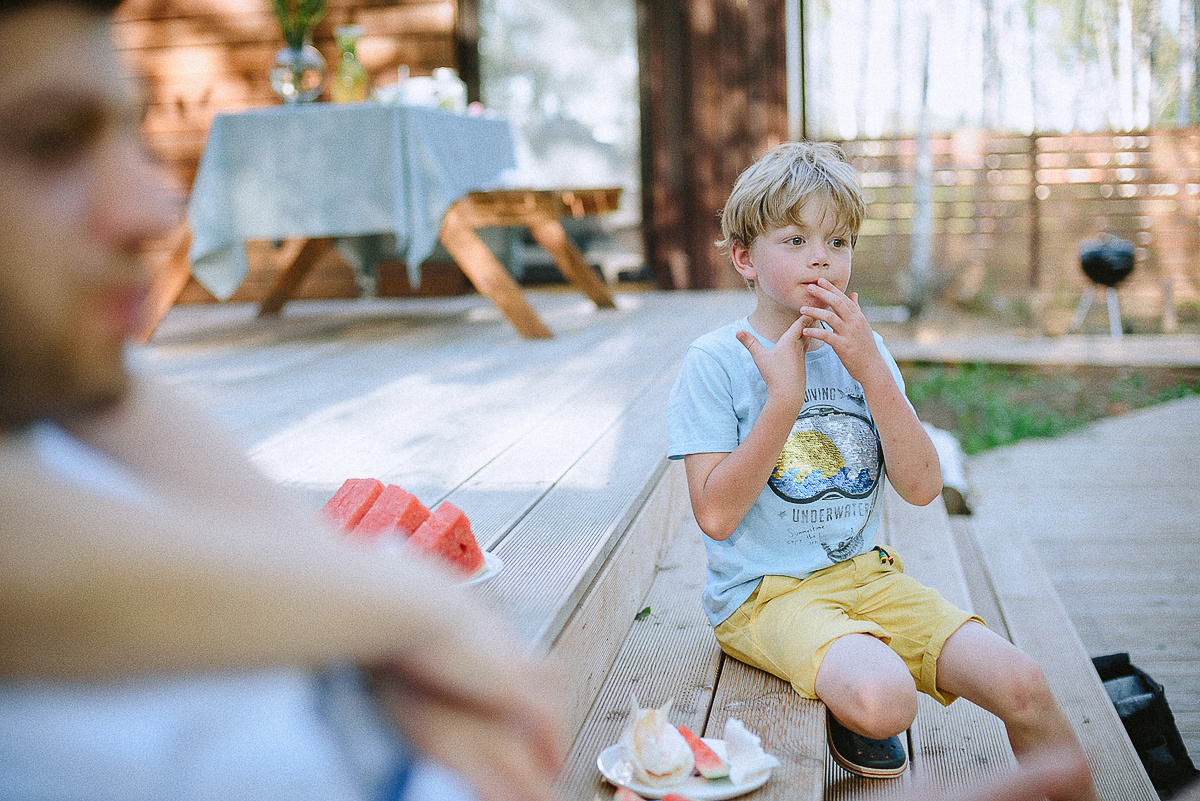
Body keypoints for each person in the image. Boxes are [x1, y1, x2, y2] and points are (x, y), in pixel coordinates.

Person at [0, 2, 565, 800]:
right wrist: (405, 609)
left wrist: (370, 624)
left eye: (127, 137)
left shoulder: (53, 385)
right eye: (49, 142)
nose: (155, 212)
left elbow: (117, 398)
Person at [666, 141, 1097, 799]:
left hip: (867, 576)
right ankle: (851, 680)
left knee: (1024, 685)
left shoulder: (864, 354)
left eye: (837, 240)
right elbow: (717, 515)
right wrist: (784, 401)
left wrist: (872, 370)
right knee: (889, 699)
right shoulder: (715, 362)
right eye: (795, 238)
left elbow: (922, 487)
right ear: (745, 257)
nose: (821, 256)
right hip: (765, 591)